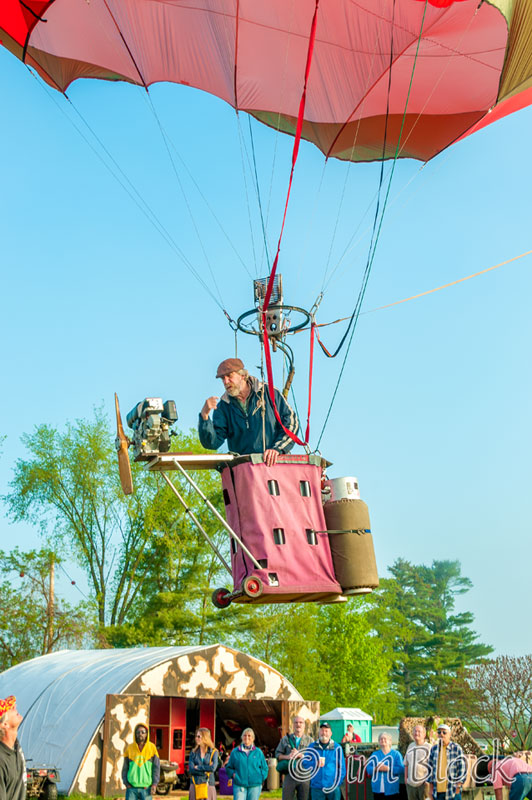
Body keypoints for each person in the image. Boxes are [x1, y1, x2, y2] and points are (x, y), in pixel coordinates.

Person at [198, 358, 299, 467]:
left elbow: (291, 424)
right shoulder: (223, 407)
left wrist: (277, 449)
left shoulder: (268, 392)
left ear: (242, 375)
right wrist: (204, 417)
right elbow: (212, 443)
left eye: (229, 376)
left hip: (275, 466)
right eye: (223, 378)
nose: (226, 382)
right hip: (244, 471)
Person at [302, 721, 346, 800]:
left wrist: (337, 783)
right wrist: (315, 763)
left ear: (331, 733)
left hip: (333, 788)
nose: (324, 733)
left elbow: (342, 768)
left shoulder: (337, 747)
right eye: (322, 730)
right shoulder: (312, 747)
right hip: (317, 787)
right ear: (319, 732)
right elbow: (305, 763)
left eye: (326, 731)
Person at [275, 715, 313, 800]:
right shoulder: (285, 739)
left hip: (305, 776)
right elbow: (278, 755)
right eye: (296, 722)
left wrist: (301, 755)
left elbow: (313, 758)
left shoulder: (310, 740)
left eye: (301, 722)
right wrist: (287, 757)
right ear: (293, 725)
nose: (298, 724)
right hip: (289, 775)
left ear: (304, 725)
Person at [225, 728, 268, 800]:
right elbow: (229, 767)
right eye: (244, 735)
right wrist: (234, 775)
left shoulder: (258, 752)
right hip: (239, 784)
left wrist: (261, 778)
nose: (247, 737)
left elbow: (265, 768)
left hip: (255, 785)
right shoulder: (235, 752)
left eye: (249, 735)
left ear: (253, 738)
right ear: (242, 737)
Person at [122, 723, 160, 800]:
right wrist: (126, 783)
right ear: (135, 734)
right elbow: (125, 768)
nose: (140, 734)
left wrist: (154, 784)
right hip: (131, 788)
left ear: (146, 734)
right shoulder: (129, 748)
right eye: (138, 732)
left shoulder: (152, 748)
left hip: (146, 788)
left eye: (143, 732)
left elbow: (156, 768)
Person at [427, 724, 465, 800]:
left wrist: (458, 787)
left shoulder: (456, 748)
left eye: (444, 732)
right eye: (439, 732)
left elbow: (462, 769)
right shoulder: (434, 749)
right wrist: (430, 790)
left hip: (452, 791)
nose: (441, 734)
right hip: (437, 792)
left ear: (449, 735)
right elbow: (430, 770)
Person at [0, 695, 25, 800]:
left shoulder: (16, 747)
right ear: (4, 724)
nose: (15, 707)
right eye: (10, 708)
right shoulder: (1, 760)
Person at [366, 732, 404, 800]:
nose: (383, 740)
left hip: (392, 789)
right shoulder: (375, 754)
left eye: (385, 738)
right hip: (377, 789)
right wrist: (376, 768)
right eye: (381, 739)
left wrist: (389, 769)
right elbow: (368, 768)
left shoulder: (396, 754)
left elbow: (401, 769)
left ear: (390, 741)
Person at [189, 728, 219, 800]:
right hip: (195, 784)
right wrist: (206, 769)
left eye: (199, 736)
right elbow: (191, 770)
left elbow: (213, 768)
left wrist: (199, 767)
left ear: (205, 737)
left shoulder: (214, 752)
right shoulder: (193, 752)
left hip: (209, 785)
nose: (196, 738)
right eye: (196, 736)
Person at [404, 725, 431, 800]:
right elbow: (406, 764)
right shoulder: (410, 746)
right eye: (415, 731)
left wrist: (428, 781)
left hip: (423, 784)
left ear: (424, 734)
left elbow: (433, 766)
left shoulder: (429, 747)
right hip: (411, 784)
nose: (416, 733)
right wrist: (406, 778)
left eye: (419, 731)